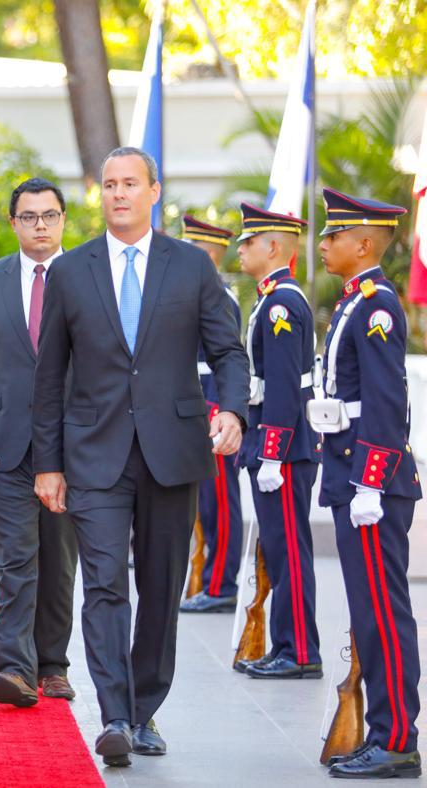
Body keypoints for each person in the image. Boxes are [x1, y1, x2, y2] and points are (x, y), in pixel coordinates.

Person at [32, 147, 249, 767]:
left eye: (130, 183)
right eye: (108, 185)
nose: (118, 193)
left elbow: (228, 352)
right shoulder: (71, 272)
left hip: (172, 453)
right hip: (93, 455)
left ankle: (146, 704)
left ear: (155, 191)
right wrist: (48, 463)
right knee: (103, 584)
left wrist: (230, 410)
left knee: (159, 588)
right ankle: (116, 715)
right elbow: (50, 377)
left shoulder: (191, 268)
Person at [0, 177, 77, 706]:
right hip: (1, 446)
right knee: (15, 557)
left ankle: (53, 664)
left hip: (72, 447)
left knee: (60, 560)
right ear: (13, 223)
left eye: (49, 215)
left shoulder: (87, 277)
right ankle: (15, 669)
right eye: (29, 217)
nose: (40, 225)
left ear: (63, 220)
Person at [313, 188, 421, 779]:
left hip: (369, 480)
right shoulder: (355, 302)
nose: (324, 245)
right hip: (351, 475)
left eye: (334, 236)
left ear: (363, 244)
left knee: (383, 612)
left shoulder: (377, 305)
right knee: (367, 612)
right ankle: (384, 730)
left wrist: (371, 484)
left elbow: (385, 403)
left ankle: (398, 737)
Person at [234, 203, 321, 678]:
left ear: (273, 247)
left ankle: (300, 650)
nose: (241, 249)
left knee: (288, 548)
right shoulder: (272, 298)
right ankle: (288, 645)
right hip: (275, 443)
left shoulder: (282, 303)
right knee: (279, 546)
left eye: (249, 241)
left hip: (283, 449)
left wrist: (272, 452)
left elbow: (285, 385)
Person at [179, 215, 244, 614]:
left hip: (213, 404)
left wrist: (220, 409)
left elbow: (224, 359)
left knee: (219, 499)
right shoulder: (190, 290)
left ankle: (221, 583)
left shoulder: (219, 295)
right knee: (204, 501)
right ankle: (207, 578)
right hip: (194, 401)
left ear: (206, 255)